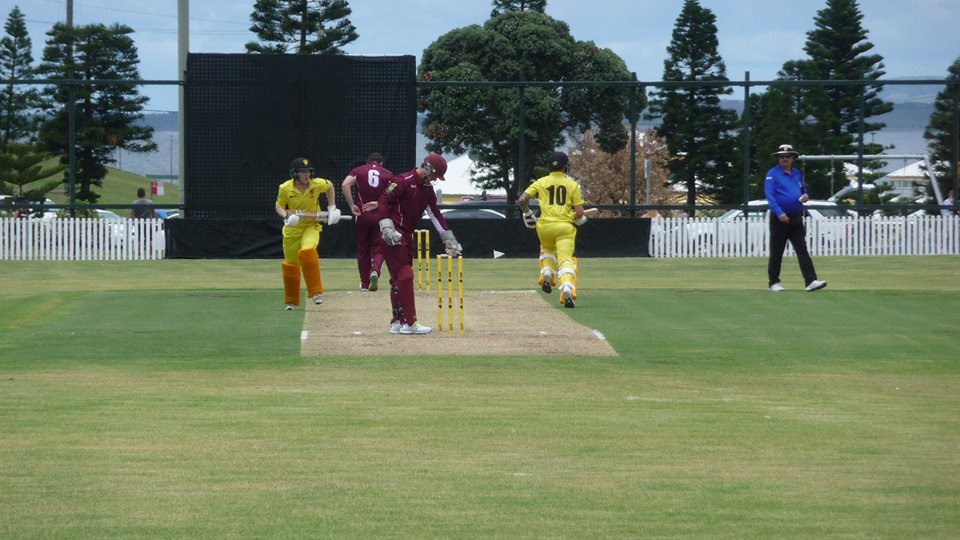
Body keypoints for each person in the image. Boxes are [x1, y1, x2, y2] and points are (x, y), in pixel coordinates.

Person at [376, 153, 461, 334]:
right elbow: (383, 200)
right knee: (405, 276)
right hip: (392, 234)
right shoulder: (403, 181)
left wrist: (448, 238)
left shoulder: (427, 189)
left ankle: (397, 322)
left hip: (406, 236)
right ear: (428, 168)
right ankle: (410, 322)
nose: (434, 180)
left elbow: (435, 214)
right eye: (435, 175)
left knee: (399, 280)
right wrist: (386, 227)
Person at [518, 151, 586, 308]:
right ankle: (567, 287)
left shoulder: (541, 182)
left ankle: (547, 272)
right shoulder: (572, 184)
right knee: (565, 260)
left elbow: (522, 199)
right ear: (565, 167)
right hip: (564, 228)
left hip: (545, 227)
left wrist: (528, 214)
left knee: (547, 248)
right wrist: (578, 218)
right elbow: (580, 212)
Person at [274, 157, 342, 310]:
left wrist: (332, 208)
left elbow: (330, 186)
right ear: (295, 174)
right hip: (292, 229)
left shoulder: (316, 184)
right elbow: (278, 206)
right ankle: (291, 300)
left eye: (308, 172)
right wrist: (287, 216)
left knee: (308, 251)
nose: (306, 175)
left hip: (311, 225)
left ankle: (316, 292)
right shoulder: (285, 188)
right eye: (303, 172)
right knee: (291, 265)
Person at [765, 144, 827, 292]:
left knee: (802, 249)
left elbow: (803, 191)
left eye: (787, 156)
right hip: (780, 218)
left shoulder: (797, 173)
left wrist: (805, 196)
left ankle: (810, 281)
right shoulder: (772, 174)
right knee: (777, 251)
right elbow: (770, 196)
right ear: (778, 158)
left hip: (796, 217)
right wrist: (780, 213)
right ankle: (774, 282)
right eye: (782, 157)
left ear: (792, 158)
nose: (784, 159)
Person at [342, 153, 393, 292]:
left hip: (362, 213)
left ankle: (365, 283)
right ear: (381, 163)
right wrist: (378, 203)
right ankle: (375, 270)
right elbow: (393, 193)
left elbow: (345, 184)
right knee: (380, 248)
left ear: (368, 162)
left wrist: (352, 205)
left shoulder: (358, 171)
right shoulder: (388, 174)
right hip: (380, 215)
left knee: (363, 251)